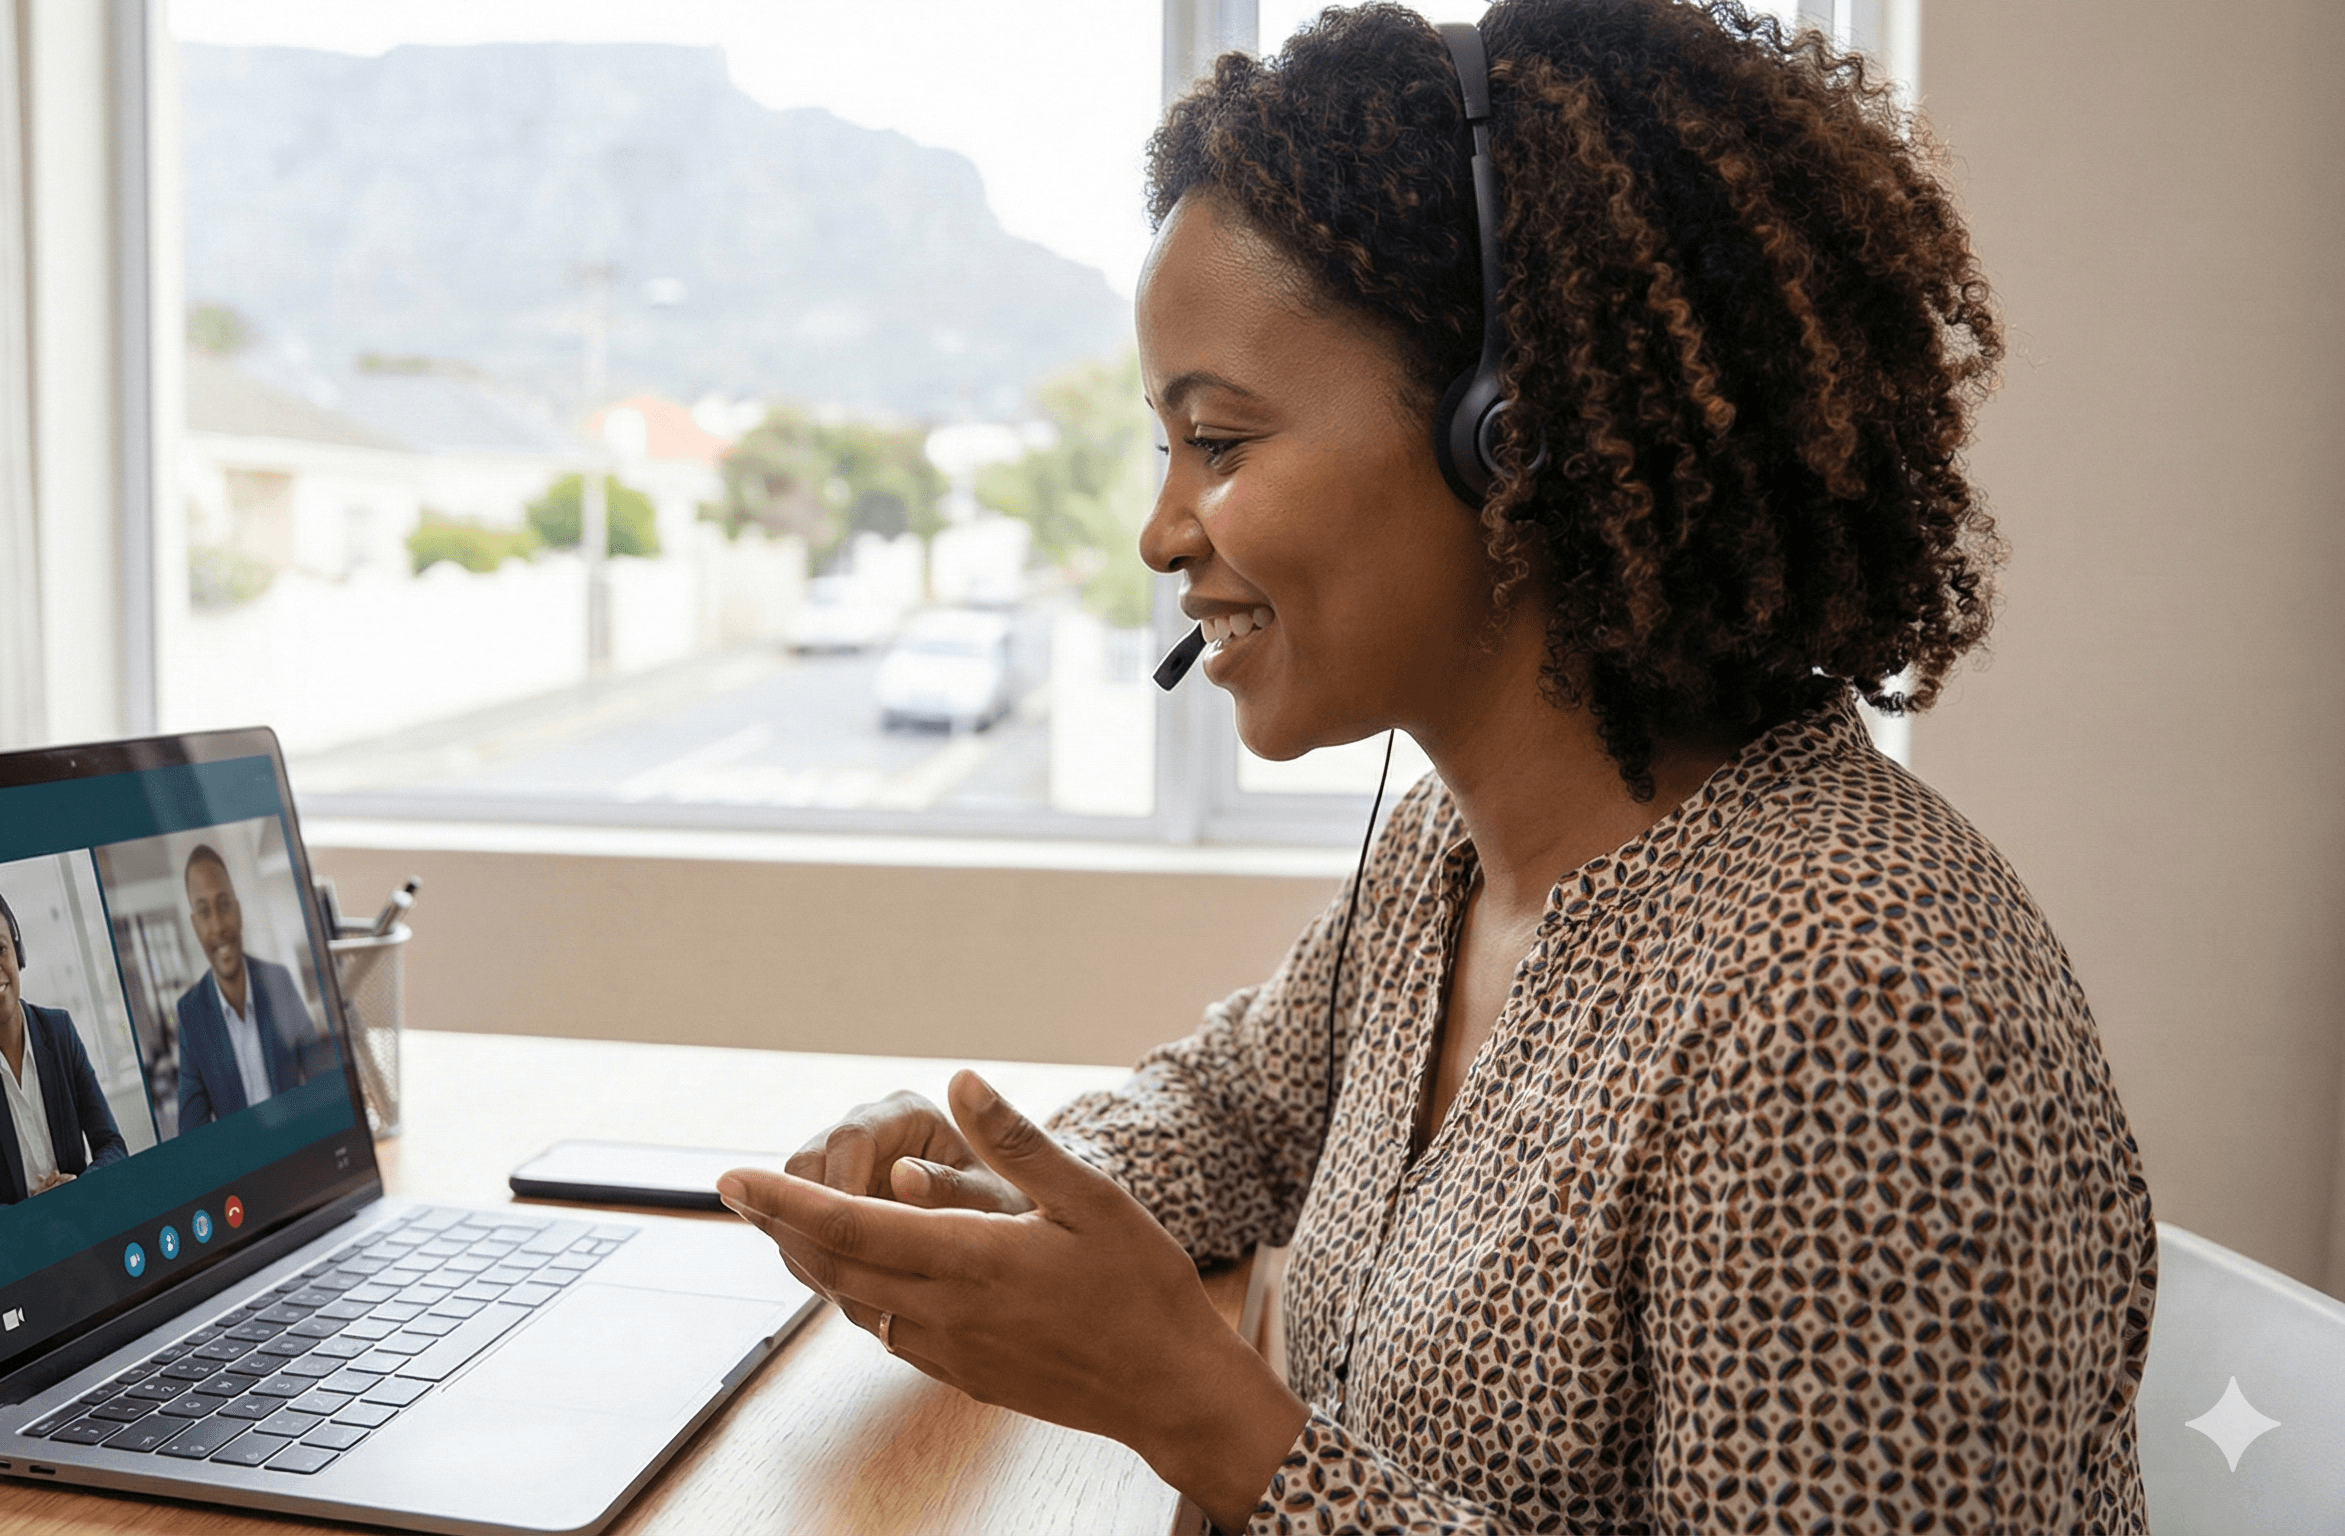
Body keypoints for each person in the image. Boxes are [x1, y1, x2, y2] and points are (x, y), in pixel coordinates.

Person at [714, 3, 2156, 1531]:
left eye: (1218, 441)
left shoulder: (1851, 1005)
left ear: (1508, 442)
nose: (1159, 532)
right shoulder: (1453, 860)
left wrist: (1203, 1417)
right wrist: (987, 1197)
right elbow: (1234, 1118)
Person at [0, 877, 127, 1228]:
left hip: (87, 1221)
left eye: (0, 949)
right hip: (25, 1245)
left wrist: (76, 1191)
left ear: (17, 951)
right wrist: (33, 1213)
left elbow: (112, 1147)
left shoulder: (59, 1032)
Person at [172, 843, 324, 1131]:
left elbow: (321, 1076)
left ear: (238, 911)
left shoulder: (278, 980)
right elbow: (193, 1132)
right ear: (195, 926)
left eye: (224, 905)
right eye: (204, 912)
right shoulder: (190, 1013)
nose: (217, 926)